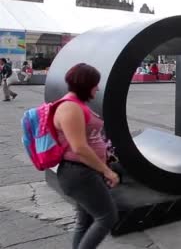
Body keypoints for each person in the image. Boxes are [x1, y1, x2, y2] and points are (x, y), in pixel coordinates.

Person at [53, 63, 119, 249]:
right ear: (85, 84)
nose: (97, 88)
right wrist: (107, 171)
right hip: (80, 173)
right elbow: (79, 147)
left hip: (85, 171)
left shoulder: (77, 105)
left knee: (85, 221)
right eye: (94, 84)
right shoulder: (70, 107)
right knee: (107, 217)